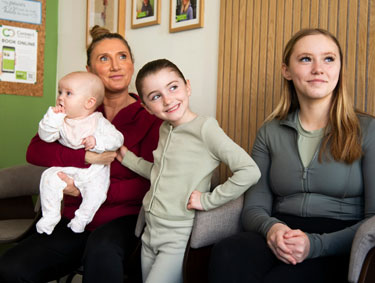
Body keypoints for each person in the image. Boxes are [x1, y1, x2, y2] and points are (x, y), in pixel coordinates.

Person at [208, 28, 375, 283]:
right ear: (286, 70)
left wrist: (315, 245)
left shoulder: (369, 131)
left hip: (340, 240)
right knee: (227, 253)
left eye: (329, 59)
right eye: (306, 59)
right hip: (282, 229)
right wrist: (272, 228)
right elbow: (254, 207)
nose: (318, 69)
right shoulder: (270, 131)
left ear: (340, 68)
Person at [0, 26, 162, 283]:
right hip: (74, 220)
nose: (115, 66)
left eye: (122, 56)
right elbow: (36, 150)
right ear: (89, 70)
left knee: (102, 252)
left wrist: (86, 189)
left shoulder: (150, 120)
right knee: (11, 267)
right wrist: (84, 159)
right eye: (103, 58)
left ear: (132, 64)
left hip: (123, 221)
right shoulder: (72, 109)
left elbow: (153, 182)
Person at [116, 58, 261, 283]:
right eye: (156, 96)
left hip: (177, 234)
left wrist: (208, 200)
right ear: (146, 108)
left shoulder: (205, 129)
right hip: (149, 231)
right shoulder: (166, 129)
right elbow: (161, 172)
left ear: (188, 87)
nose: (168, 99)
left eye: (173, 87)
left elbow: (249, 171)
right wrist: (129, 159)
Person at [36, 71, 124, 235]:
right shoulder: (61, 121)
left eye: (68, 93)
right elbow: (46, 137)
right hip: (68, 168)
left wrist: (97, 142)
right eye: (60, 92)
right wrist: (51, 120)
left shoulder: (99, 122)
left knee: (97, 194)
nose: (61, 97)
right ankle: (50, 215)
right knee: (48, 177)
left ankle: (81, 219)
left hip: (93, 172)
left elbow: (117, 139)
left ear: (89, 102)